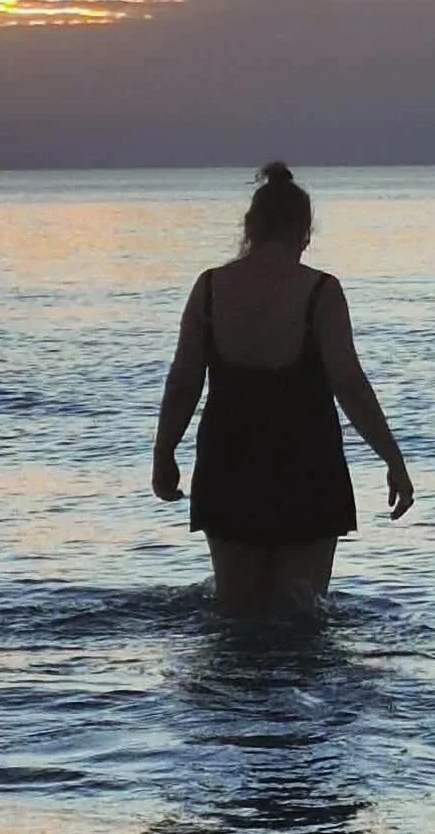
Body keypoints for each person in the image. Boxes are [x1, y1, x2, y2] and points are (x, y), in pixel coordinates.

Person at [152, 162, 413, 611]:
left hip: (228, 465)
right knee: (302, 614)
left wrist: (164, 455)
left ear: (250, 227)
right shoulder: (321, 292)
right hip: (307, 466)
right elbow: (349, 384)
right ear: (304, 230)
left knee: (235, 616)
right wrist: (394, 461)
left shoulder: (211, 288)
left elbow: (183, 382)